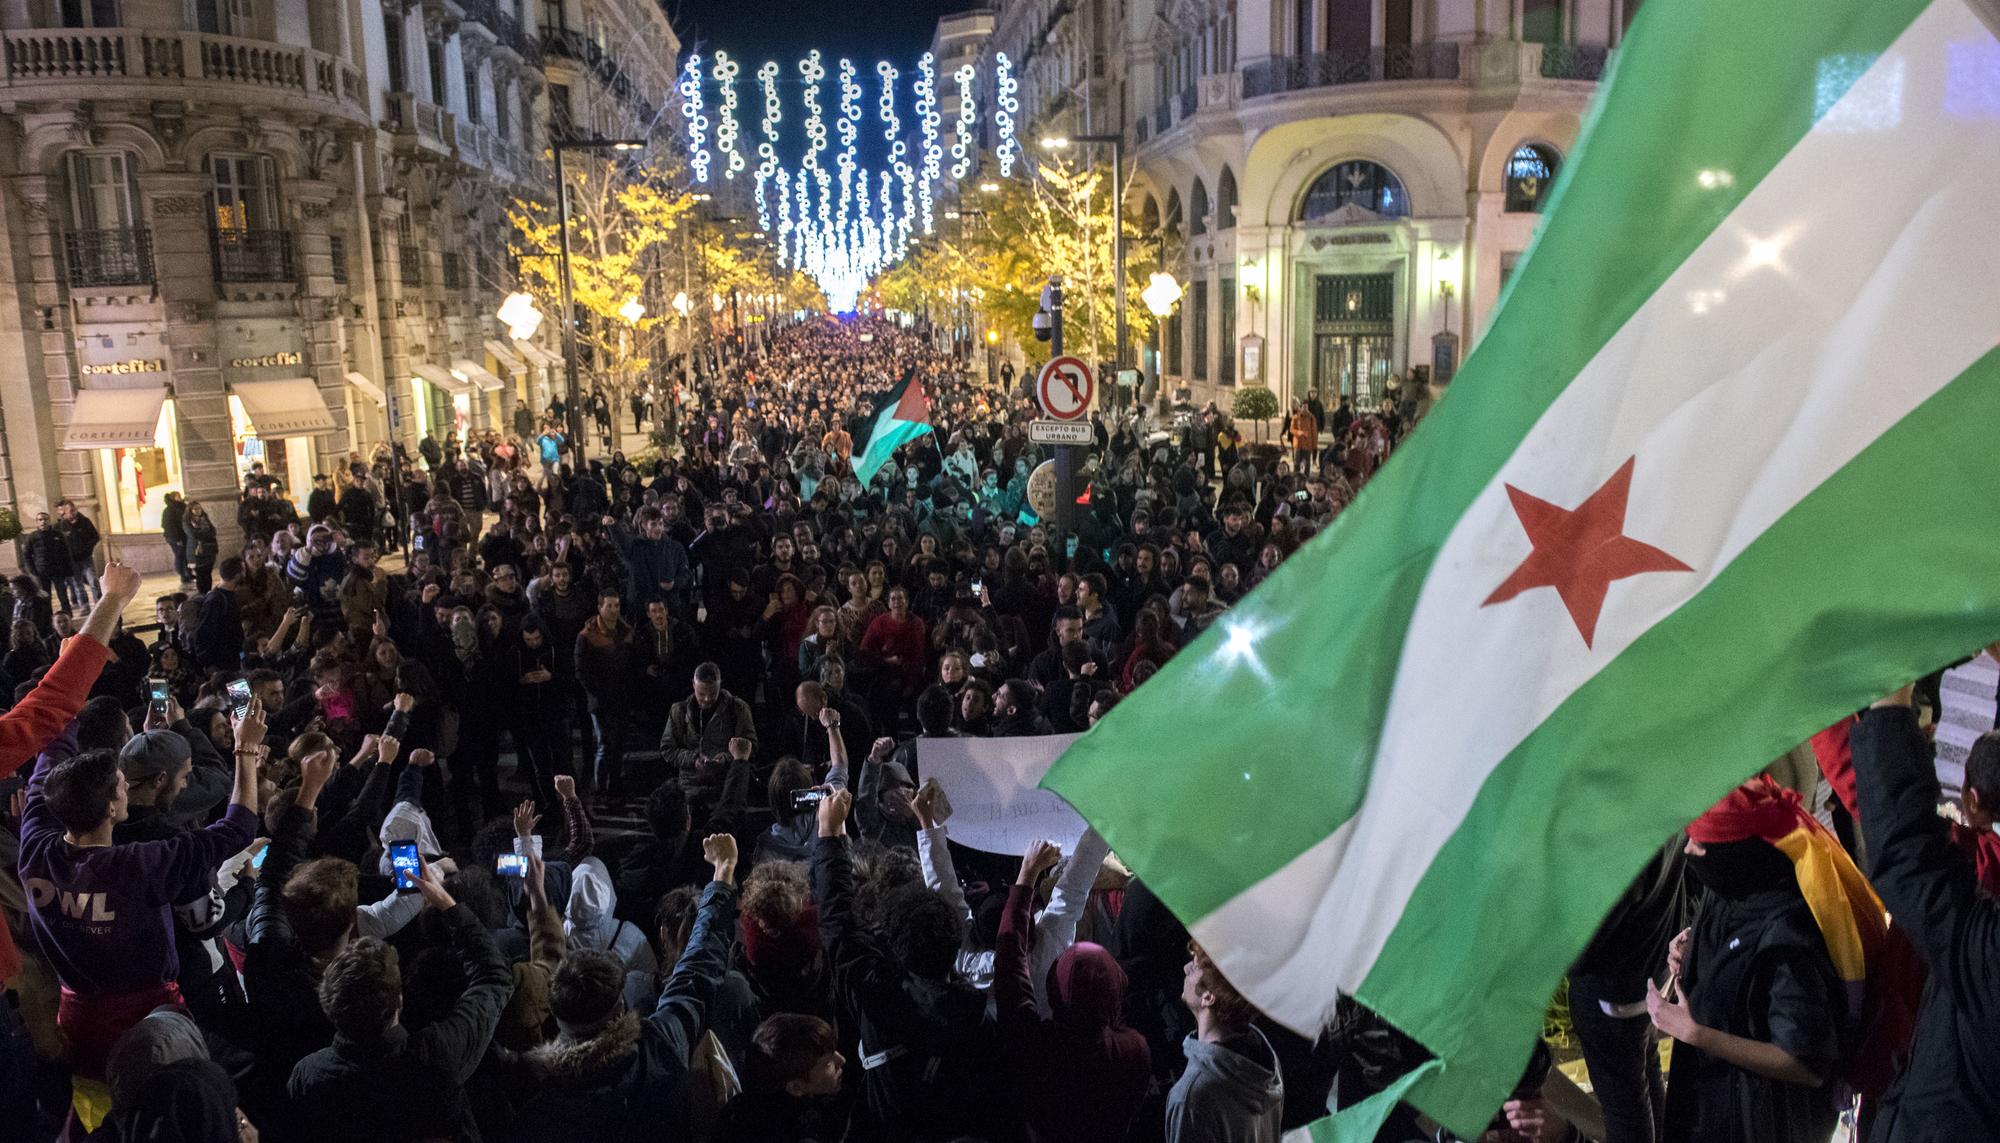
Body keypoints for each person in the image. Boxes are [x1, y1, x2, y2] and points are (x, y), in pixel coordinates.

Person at [18, 689, 264, 1087]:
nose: (126, 785)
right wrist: (246, 749)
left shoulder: (35, 846)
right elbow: (239, 827)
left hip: (77, 1017)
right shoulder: (138, 865)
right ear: (112, 807)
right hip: (148, 1024)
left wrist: (72, 694)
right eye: (120, 783)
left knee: (102, 1104)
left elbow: (49, 758)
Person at [1648, 777, 1862, 1143]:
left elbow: (1806, 1063)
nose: (1688, 851)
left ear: (1736, 851)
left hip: (1760, 1123)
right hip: (1716, 1105)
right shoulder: (1734, 887)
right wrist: (1696, 954)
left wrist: (1696, 1034)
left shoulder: (1790, 934)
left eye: (1700, 844)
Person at [507, 832, 741, 1141]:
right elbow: (696, 970)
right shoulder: (657, 1046)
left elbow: (548, 963)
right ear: (621, 1006)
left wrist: (538, 898)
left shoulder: (533, 1100)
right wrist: (722, 876)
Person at [1847, 686, 2000, 1141]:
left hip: (1909, 1065)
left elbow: (1906, 848)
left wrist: (1887, 704)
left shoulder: (1960, 856)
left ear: (1970, 797)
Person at [287, 870, 511, 1142]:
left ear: (329, 1007)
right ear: (399, 1001)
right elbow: (493, 977)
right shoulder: (435, 1055)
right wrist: (448, 906)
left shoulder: (308, 1074)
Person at [1166, 943, 1285, 1143]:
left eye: (1194, 967)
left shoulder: (1191, 1098)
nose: (1186, 968)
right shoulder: (1265, 1063)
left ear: (1208, 996)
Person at [575, 586, 637, 797]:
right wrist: (600, 693)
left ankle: (616, 783)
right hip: (601, 702)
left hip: (622, 699)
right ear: (599, 607)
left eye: (617, 605)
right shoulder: (587, 636)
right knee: (605, 745)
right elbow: (582, 671)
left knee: (619, 744)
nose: (614, 610)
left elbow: (632, 665)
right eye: (609, 606)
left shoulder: (626, 632)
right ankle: (602, 787)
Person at [24, 509, 78, 612]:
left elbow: (66, 553)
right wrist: (32, 571)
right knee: (45, 598)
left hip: (58, 571)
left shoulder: (57, 535)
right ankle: (48, 620)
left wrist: (69, 570)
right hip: (42, 572)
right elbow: (27, 555)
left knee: (63, 596)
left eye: (45, 519)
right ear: (37, 522)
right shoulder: (32, 537)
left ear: (49, 521)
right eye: (40, 520)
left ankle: (67, 615)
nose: (43, 522)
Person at [182, 501, 220, 594]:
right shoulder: (187, 522)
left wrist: (203, 533)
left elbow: (213, 532)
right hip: (197, 550)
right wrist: (206, 534)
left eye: (199, 508)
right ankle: (202, 593)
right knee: (200, 574)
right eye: (195, 509)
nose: (198, 510)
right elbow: (193, 535)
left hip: (209, 549)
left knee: (208, 573)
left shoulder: (205, 519)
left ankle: (208, 591)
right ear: (190, 510)